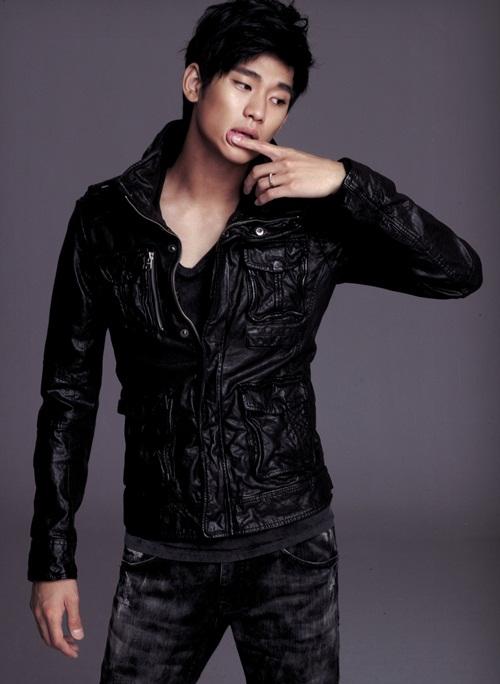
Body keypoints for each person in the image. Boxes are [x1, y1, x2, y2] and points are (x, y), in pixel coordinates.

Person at [27, 0, 483, 682]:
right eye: (243, 84)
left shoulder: (308, 222)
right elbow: (69, 395)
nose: (258, 112)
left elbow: (458, 272)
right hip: (164, 550)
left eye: (278, 98)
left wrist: (349, 182)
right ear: (195, 82)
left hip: (288, 550)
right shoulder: (107, 221)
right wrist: (52, 559)